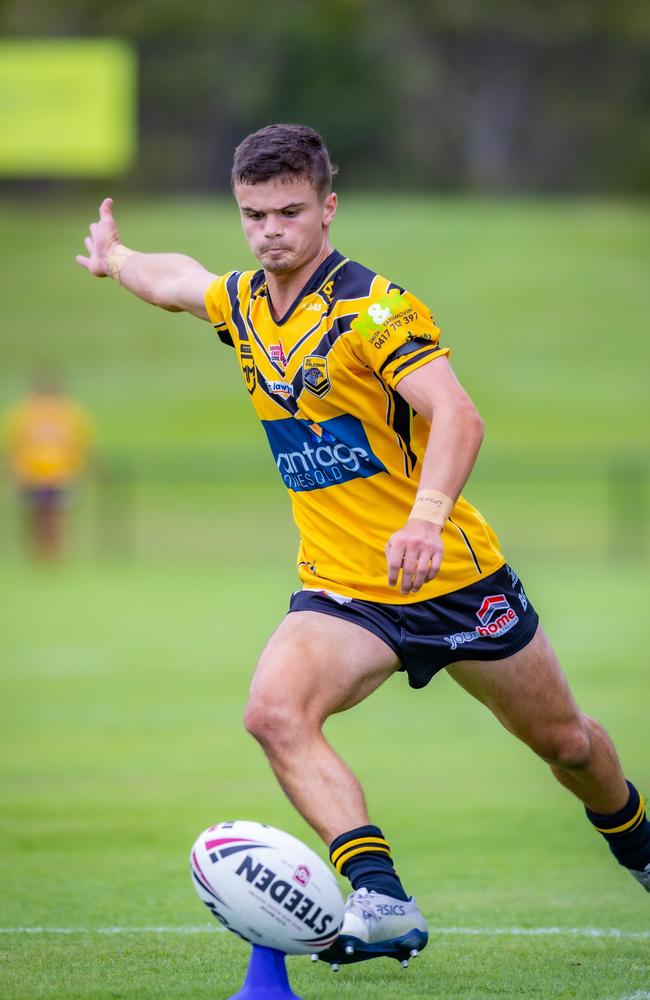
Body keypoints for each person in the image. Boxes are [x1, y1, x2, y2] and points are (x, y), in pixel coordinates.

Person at [76, 124, 649, 969]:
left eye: (289, 212)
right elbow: (181, 283)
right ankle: (380, 899)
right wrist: (119, 260)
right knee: (273, 713)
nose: (271, 230)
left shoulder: (374, 309)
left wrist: (424, 517)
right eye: (253, 214)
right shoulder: (245, 303)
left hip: (452, 574)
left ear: (328, 208)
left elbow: (457, 414)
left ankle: (641, 851)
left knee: (566, 744)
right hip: (345, 590)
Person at [4, 373, 93, 561]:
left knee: (53, 516)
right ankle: (42, 553)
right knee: (39, 515)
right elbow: (15, 445)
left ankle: (53, 553)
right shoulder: (26, 413)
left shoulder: (68, 412)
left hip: (58, 474)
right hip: (34, 474)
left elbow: (79, 445)